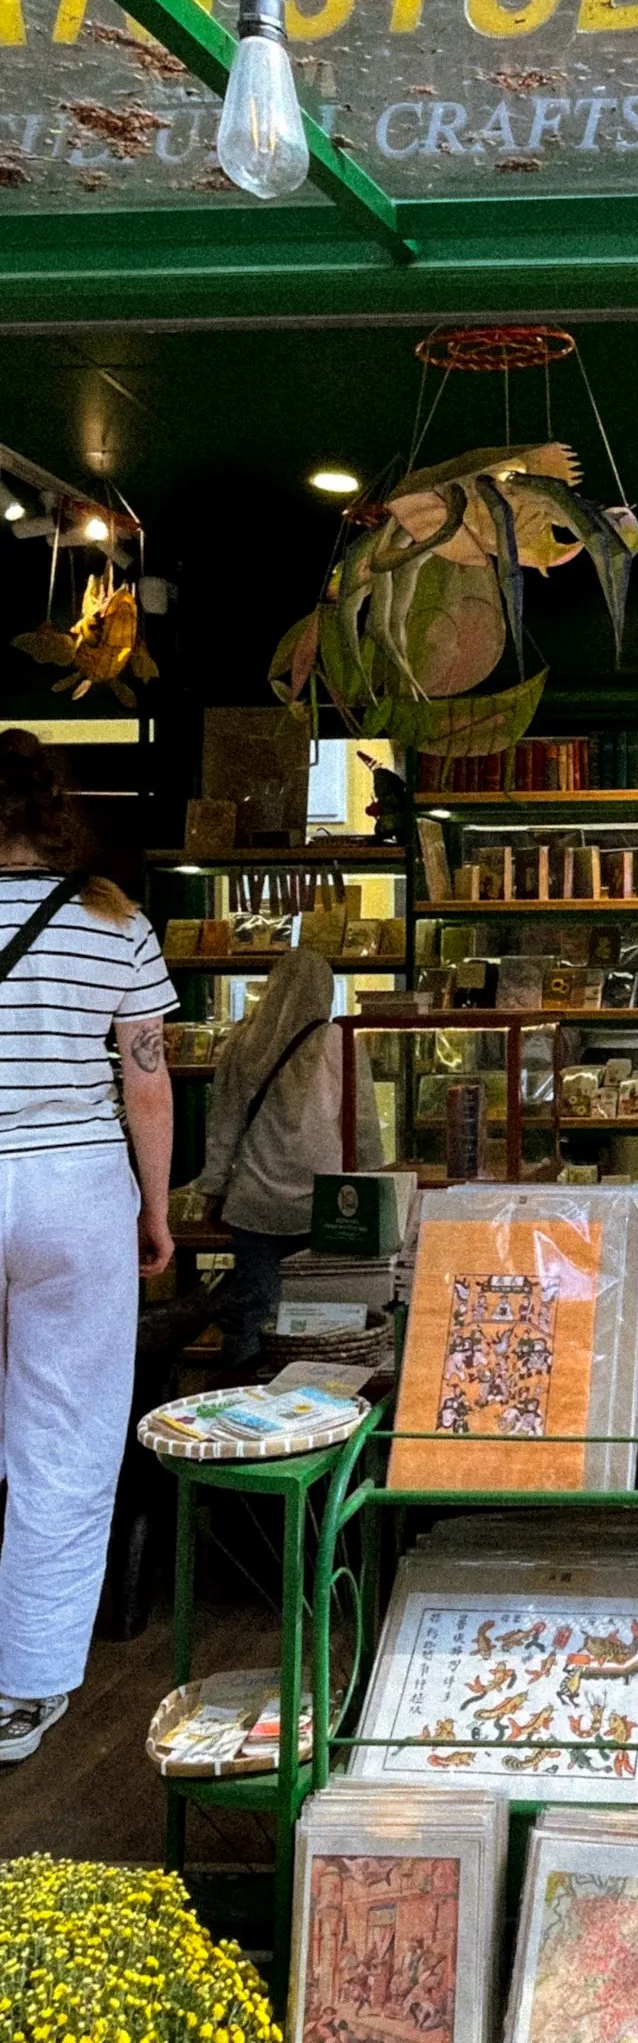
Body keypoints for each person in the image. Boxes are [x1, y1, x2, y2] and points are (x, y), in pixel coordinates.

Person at [0, 730, 176, 1764]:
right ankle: (23, 1688)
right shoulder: (114, 921)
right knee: (63, 1432)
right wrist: (155, 1208)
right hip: (75, 1187)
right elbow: (145, 1075)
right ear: (55, 810)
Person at [193, 946, 381, 1366]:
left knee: (256, 1313)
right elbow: (362, 1125)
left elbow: (223, 1126)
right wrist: (380, 1189)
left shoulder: (243, 1041)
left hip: (255, 1204)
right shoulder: (338, 1041)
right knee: (325, 1315)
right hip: (329, 1204)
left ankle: (243, 1399)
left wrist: (213, 1191)